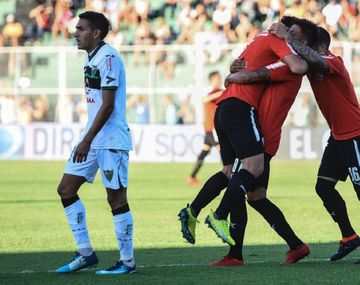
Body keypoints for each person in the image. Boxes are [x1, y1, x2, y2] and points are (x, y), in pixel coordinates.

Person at [179, 16, 318, 265]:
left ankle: (222, 231)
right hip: (259, 132)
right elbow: (252, 67)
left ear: (304, 42)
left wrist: (233, 77)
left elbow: (253, 74)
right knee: (254, 196)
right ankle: (295, 246)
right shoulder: (280, 56)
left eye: (293, 33)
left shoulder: (287, 66)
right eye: (287, 30)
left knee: (237, 179)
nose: (285, 34)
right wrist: (236, 69)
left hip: (261, 135)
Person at [55, 11, 135, 275]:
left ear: (96, 33)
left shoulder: (109, 57)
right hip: (93, 138)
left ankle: (127, 262)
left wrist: (86, 140)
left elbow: (109, 106)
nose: (76, 33)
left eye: (81, 28)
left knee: (116, 199)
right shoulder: (92, 58)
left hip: (110, 140)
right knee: (66, 189)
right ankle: (86, 253)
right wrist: (88, 138)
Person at [271, 24, 360, 262]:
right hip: (338, 136)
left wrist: (291, 39)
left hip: (355, 134)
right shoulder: (310, 64)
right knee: (323, 187)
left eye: (306, 45)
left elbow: (317, 62)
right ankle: (350, 237)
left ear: (319, 46)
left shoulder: (334, 61)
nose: (302, 49)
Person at [185, 71, 222, 186]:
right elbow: (205, 100)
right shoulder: (213, 94)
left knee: (204, 151)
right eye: (216, 79)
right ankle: (228, 176)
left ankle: (191, 177)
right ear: (211, 81)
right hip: (212, 128)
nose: (218, 80)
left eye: (219, 78)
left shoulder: (219, 93)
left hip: (210, 129)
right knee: (223, 151)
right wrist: (222, 92)